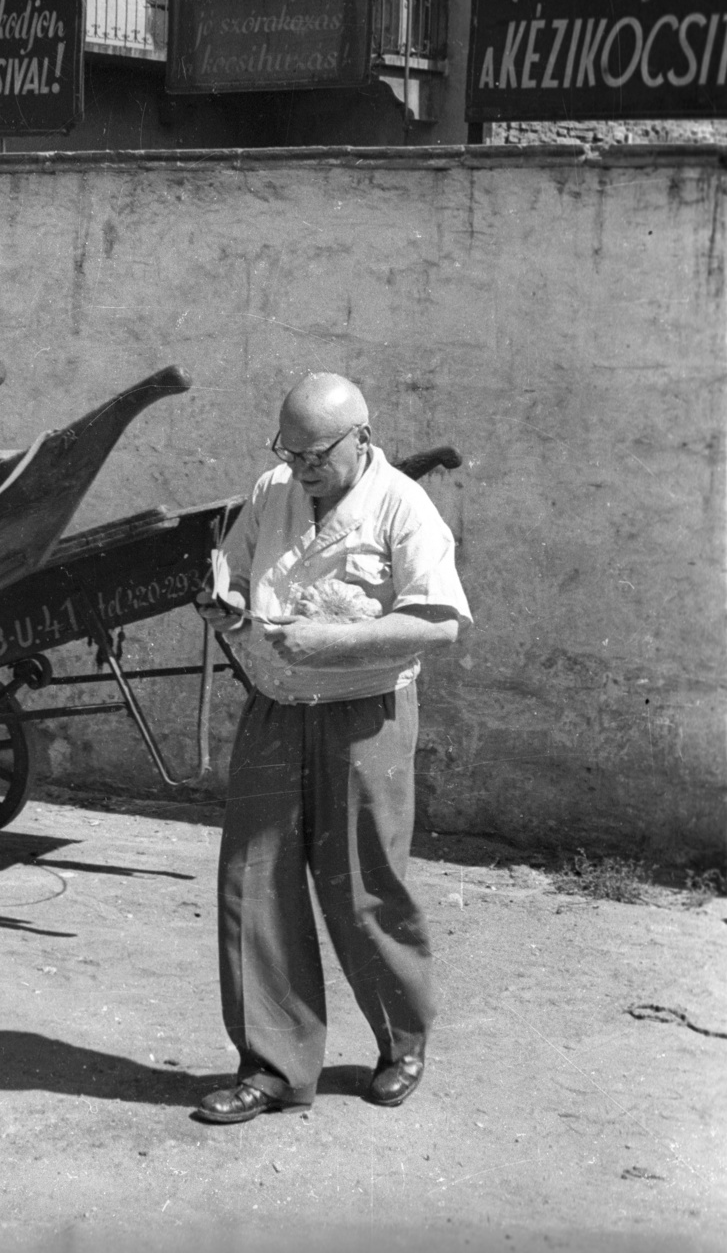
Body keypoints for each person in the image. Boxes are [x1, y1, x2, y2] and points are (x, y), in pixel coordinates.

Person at [194, 372, 471, 1124]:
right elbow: (236, 568)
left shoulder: (402, 507)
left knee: (364, 886)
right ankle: (272, 1067)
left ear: (362, 440)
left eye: (317, 454)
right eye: (290, 451)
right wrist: (225, 600)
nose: (302, 468)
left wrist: (334, 641)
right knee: (255, 885)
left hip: (365, 714)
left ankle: (401, 1041)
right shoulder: (272, 488)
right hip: (275, 708)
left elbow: (440, 623)